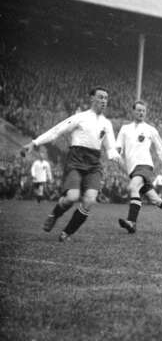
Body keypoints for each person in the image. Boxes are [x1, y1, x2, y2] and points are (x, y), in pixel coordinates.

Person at [20, 87, 121, 242]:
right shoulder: (80, 117)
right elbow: (57, 131)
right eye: (100, 97)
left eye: (106, 98)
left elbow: (110, 148)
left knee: (90, 199)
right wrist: (34, 143)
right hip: (76, 160)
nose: (103, 101)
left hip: (94, 163)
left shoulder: (106, 124)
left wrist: (116, 156)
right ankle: (55, 214)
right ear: (92, 98)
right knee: (72, 197)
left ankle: (66, 233)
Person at [116, 100, 162, 234]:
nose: (141, 113)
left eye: (143, 111)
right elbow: (118, 149)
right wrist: (117, 157)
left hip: (145, 165)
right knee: (155, 199)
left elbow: (161, 148)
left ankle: (131, 222)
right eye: (138, 110)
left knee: (133, 187)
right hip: (132, 169)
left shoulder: (150, 129)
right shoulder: (125, 129)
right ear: (133, 111)